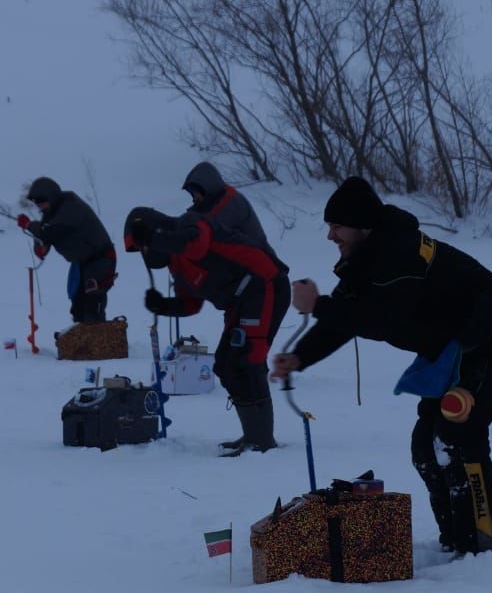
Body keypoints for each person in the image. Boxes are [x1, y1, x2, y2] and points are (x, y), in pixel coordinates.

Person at [270, 177, 492, 556]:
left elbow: (383, 320)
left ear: (363, 225)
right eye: (328, 226)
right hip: (455, 350)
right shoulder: (365, 259)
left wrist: (318, 305)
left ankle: (480, 542)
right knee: (425, 446)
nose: (330, 235)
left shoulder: (400, 255)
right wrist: (300, 356)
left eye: (337, 226)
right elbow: (347, 318)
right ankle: (454, 541)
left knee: (457, 432)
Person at [124, 206, 291, 456]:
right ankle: (253, 435)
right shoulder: (177, 265)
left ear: (155, 231)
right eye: (143, 249)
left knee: (246, 359)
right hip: (242, 302)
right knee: (225, 364)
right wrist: (163, 306)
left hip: (264, 286)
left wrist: (154, 238)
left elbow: (197, 246)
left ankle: (261, 440)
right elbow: (191, 304)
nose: (147, 253)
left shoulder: (191, 224)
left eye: (145, 246)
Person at [16, 177, 116, 323]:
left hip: (100, 260)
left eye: (42, 202)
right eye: (38, 204)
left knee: (92, 305)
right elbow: (45, 239)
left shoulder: (71, 206)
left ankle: (101, 343)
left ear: (51, 196)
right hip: (82, 263)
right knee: (78, 308)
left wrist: (30, 225)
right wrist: (40, 247)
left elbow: (51, 232)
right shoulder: (50, 214)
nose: (40, 207)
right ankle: (84, 343)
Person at [181, 162, 272, 253]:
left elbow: (208, 225)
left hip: (260, 257)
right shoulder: (215, 198)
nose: (196, 197)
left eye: (196, 192)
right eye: (192, 193)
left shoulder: (231, 201)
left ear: (207, 186)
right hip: (243, 256)